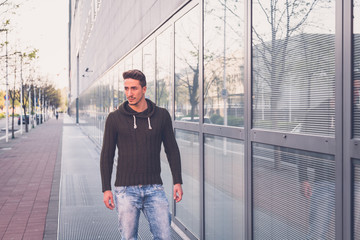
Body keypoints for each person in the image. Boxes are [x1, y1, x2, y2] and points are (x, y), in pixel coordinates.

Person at [100, 69, 183, 240]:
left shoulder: (161, 116)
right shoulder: (114, 118)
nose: (129, 93)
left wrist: (177, 181)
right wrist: (106, 188)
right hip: (125, 190)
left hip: (154, 188)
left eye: (134, 88)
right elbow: (107, 155)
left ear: (144, 89)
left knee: (164, 236)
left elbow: (172, 149)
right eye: (126, 88)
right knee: (129, 237)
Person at [298, 97, 335, 239]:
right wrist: (303, 178)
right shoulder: (316, 113)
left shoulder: (355, 113)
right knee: (317, 233)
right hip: (324, 180)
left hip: (354, 182)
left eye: (358, 90)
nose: (357, 94)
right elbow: (302, 146)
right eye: (354, 89)